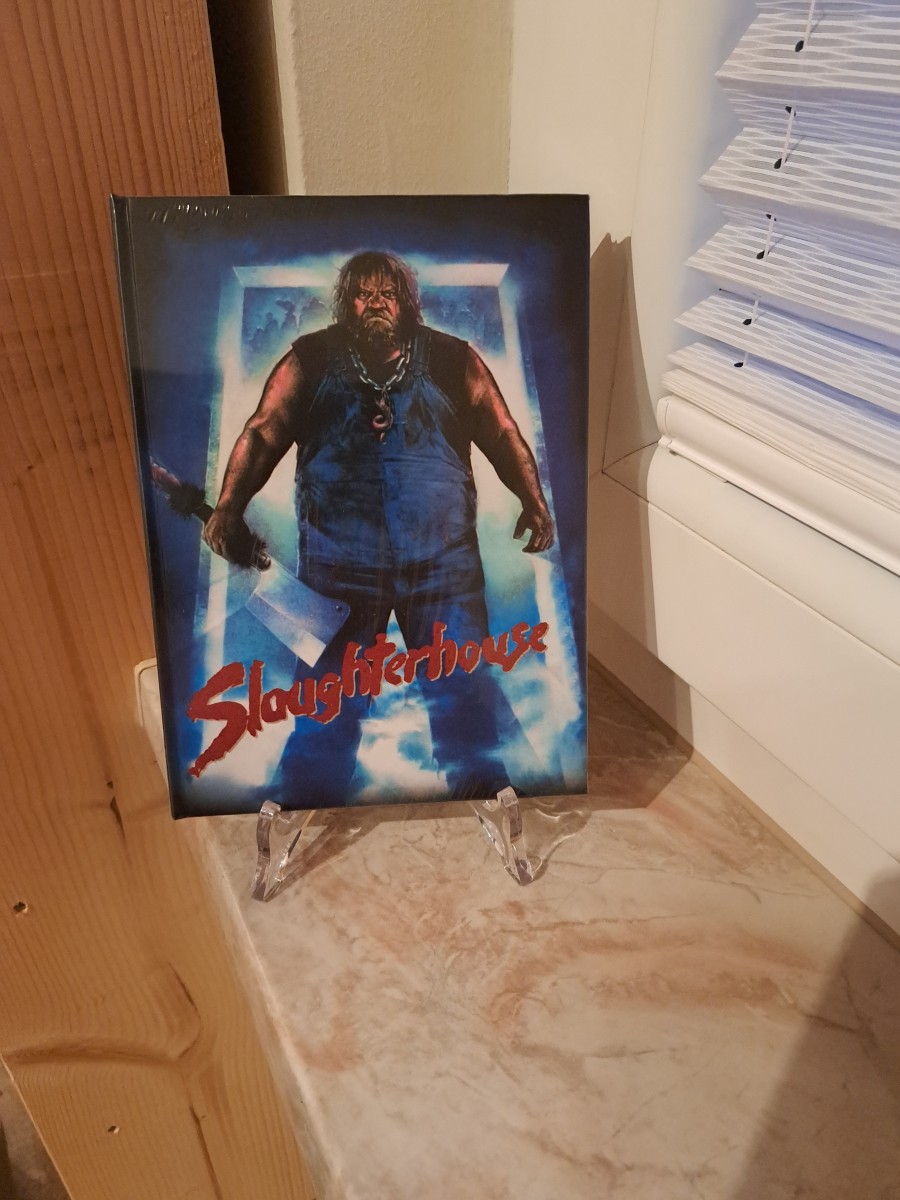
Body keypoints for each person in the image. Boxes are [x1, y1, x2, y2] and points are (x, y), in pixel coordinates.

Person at [203, 251, 554, 805]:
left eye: (387, 294)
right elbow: (263, 430)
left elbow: (501, 430)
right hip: (337, 568)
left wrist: (533, 500)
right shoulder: (311, 359)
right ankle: (306, 804)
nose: (376, 304)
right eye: (363, 295)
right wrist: (228, 505)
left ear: (406, 303)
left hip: (443, 566)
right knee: (326, 703)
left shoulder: (451, 358)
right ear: (346, 304)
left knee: (464, 694)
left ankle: (485, 798)